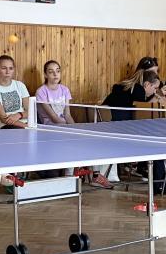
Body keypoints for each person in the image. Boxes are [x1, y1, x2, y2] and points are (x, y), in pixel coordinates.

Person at [35, 60, 112, 188]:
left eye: (58, 71)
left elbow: (67, 114)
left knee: (89, 137)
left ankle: (95, 176)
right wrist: (71, 129)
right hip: (49, 129)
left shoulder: (64, 90)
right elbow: (54, 117)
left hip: (64, 126)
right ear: (45, 75)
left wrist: (77, 128)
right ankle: (69, 178)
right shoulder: (41, 91)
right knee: (71, 140)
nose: (55, 74)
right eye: (51, 72)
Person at [0, 55, 29, 129]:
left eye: (11, 68)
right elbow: (3, 119)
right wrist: (26, 127)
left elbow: (30, 111)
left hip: (27, 123)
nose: (7, 72)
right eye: (4, 68)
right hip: (7, 126)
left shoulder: (20, 85)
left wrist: (19, 115)